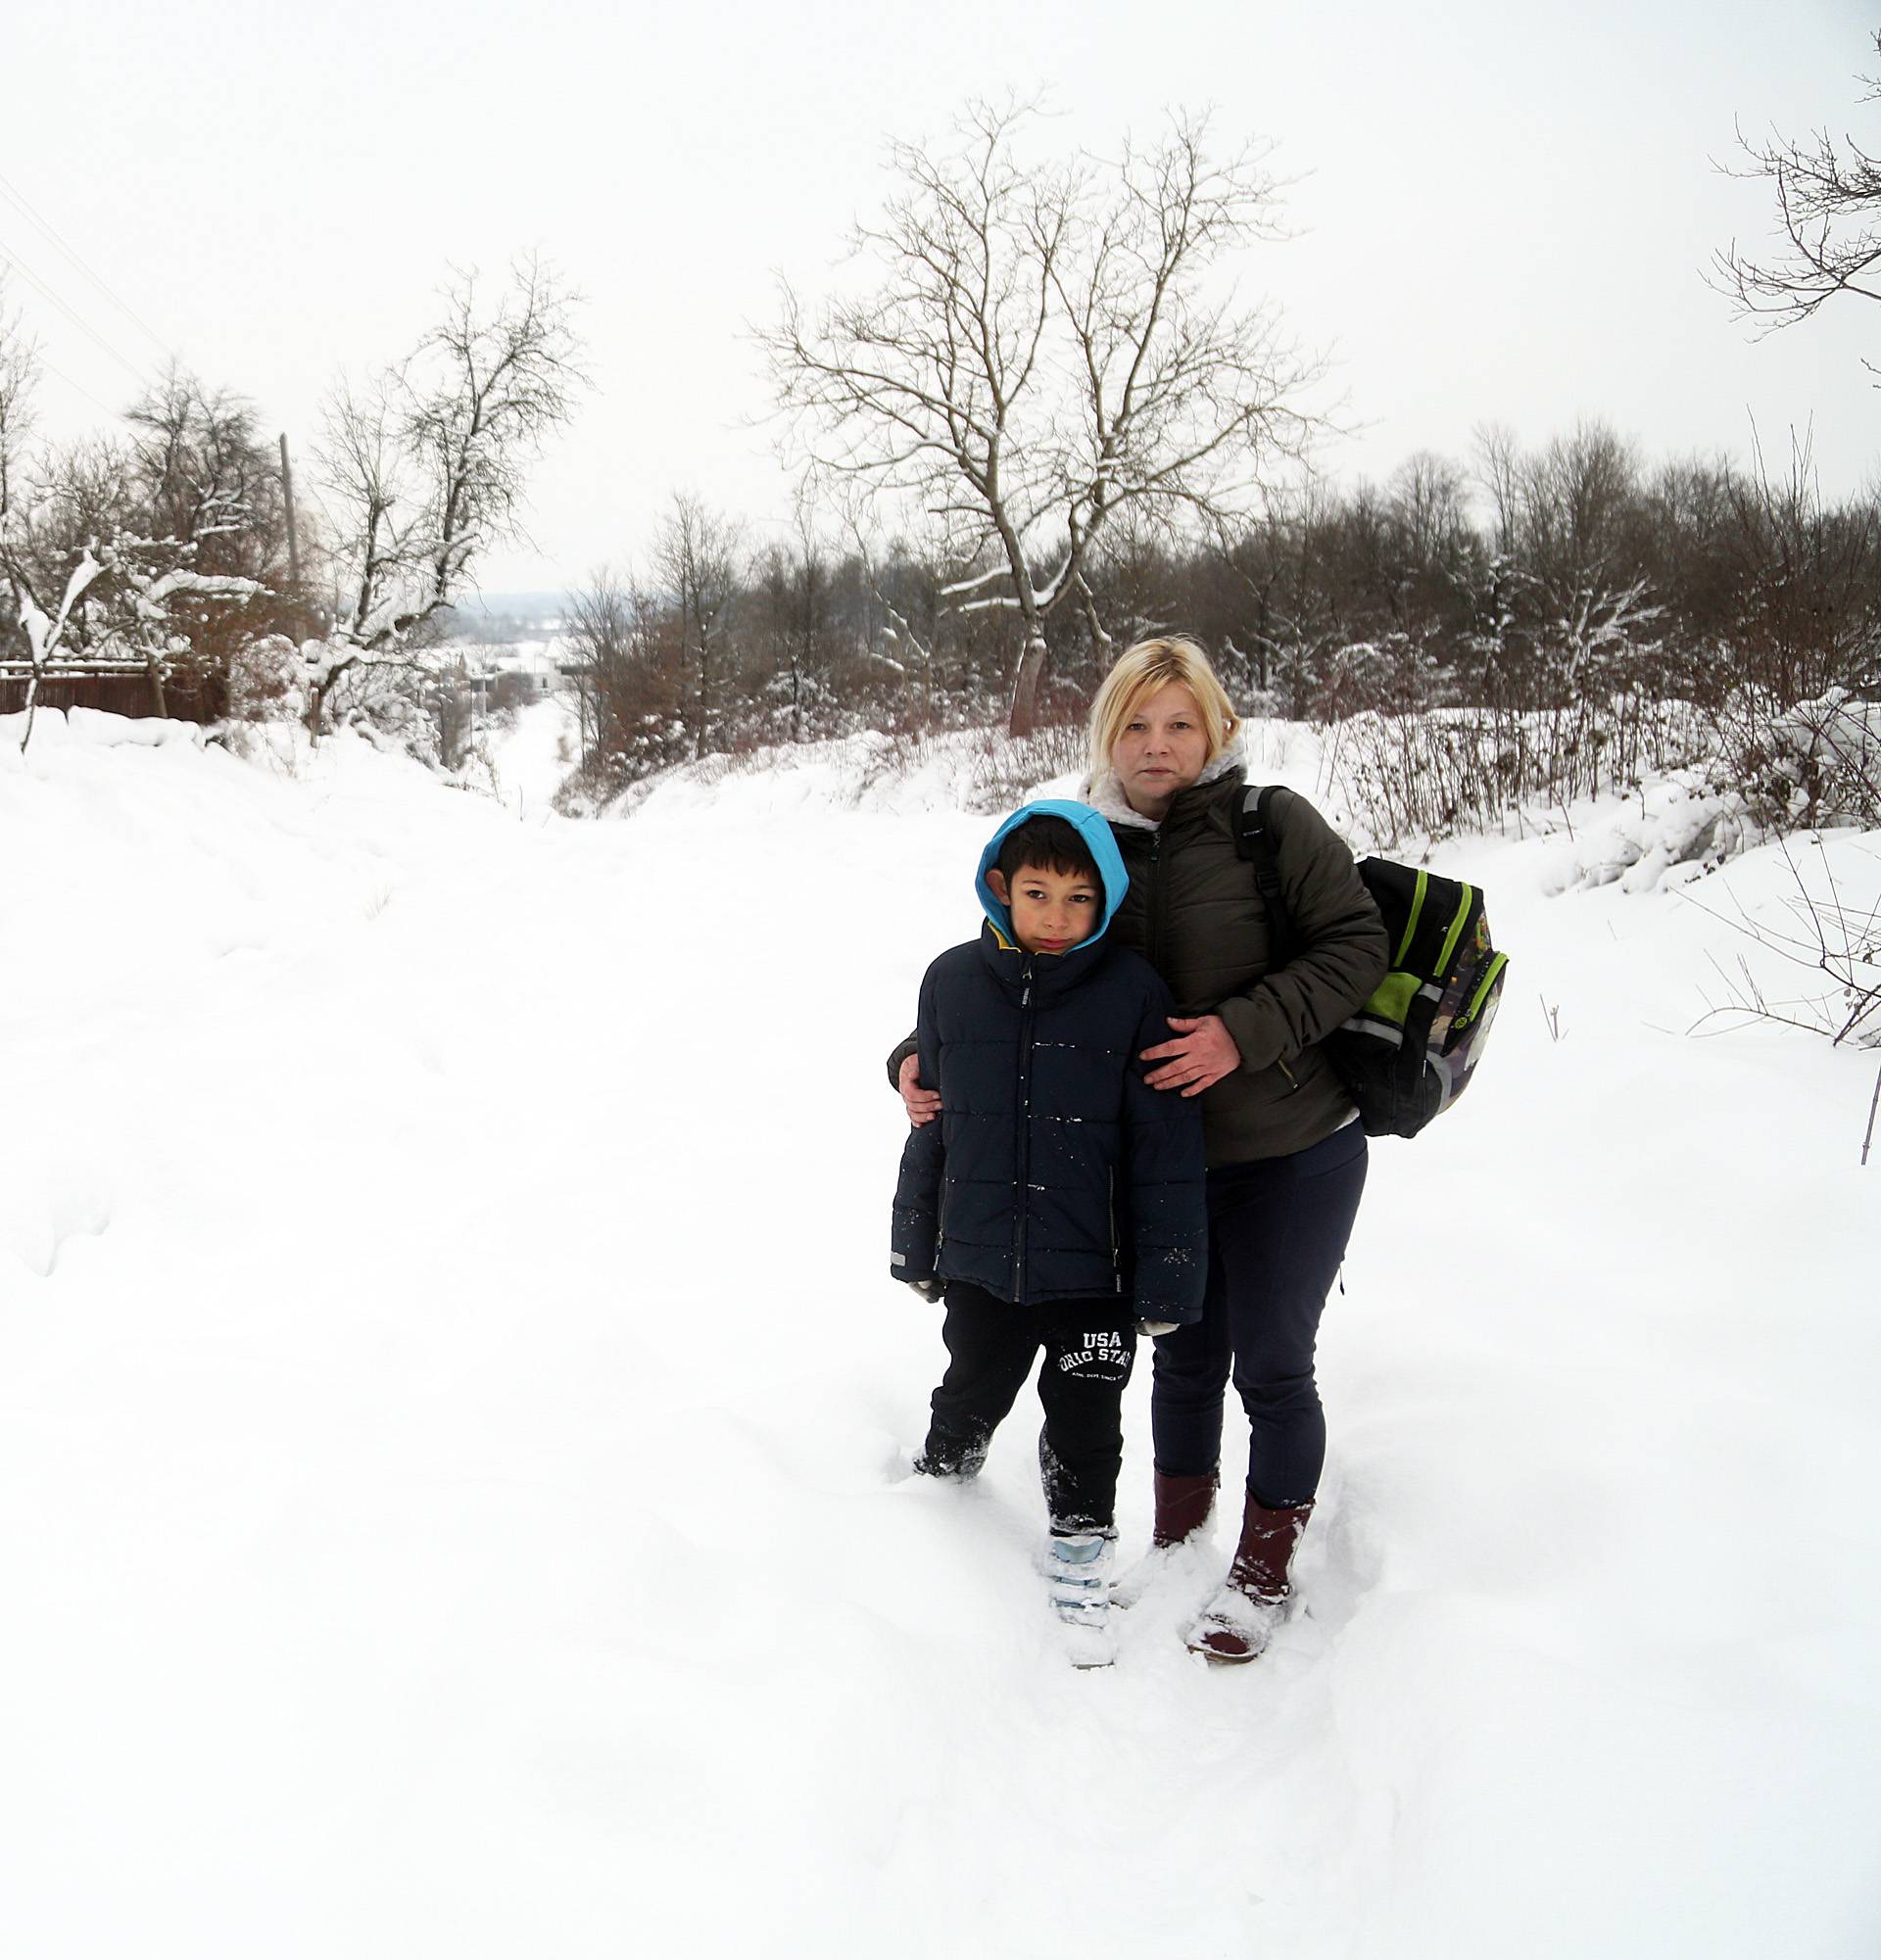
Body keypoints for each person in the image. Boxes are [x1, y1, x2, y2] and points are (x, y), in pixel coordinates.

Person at [896, 640, 1388, 1662]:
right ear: (1105, 734)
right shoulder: (1085, 841)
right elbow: (1011, 982)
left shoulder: (1269, 827)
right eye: (1135, 724)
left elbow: (1356, 949)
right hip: (1150, 1163)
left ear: (1215, 727)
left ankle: (1260, 1569)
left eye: (1179, 723)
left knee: (1271, 1361)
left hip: (1290, 1143)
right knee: (1182, 1355)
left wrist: (1238, 1031)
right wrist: (914, 1057)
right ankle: (1174, 1539)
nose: (1156, 746)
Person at [890, 799, 1207, 1668]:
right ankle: (940, 1498)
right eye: (1038, 894)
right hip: (982, 1260)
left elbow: (1165, 1147)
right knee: (970, 1386)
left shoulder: (1135, 993)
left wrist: (1169, 1278)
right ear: (1001, 888)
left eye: (1079, 898)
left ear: (1107, 899)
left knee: (1086, 1419)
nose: (1058, 917)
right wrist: (916, 1244)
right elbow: (934, 1123)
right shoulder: (952, 981)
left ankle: (1080, 1548)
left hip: (1094, 1275)